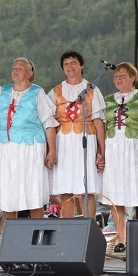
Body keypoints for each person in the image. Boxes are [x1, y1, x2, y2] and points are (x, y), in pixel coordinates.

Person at [0, 58, 57, 221]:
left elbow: (49, 123)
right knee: (8, 194)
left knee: (33, 192)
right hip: (5, 149)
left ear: (30, 73)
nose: (15, 71)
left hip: (29, 148)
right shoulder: (3, 91)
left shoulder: (37, 92)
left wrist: (52, 150)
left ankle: (37, 231)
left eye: (20, 68)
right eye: (14, 68)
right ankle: (12, 233)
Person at [102, 61, 138, 253]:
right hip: (114, 148)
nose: (118, 78)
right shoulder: (108, 100)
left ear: (133, 77)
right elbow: (102, 126)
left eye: (123, 75)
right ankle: (122, 238)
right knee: (116, 194)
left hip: (137, 147)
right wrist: (101, 152)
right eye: (116, 76)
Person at [48, 50, 106, 220]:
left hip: (86, 140)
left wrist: (102, 151)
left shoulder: (92, 89)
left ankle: (89, 226)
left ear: (81, 66)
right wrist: (50, 149)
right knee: (66, 189)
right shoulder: (55, 91)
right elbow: (49, 122)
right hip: (63, 142)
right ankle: (68, 228)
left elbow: (98, 122)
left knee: (86, 189)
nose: (70, 66)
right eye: (66, 64)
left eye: (73, 62)